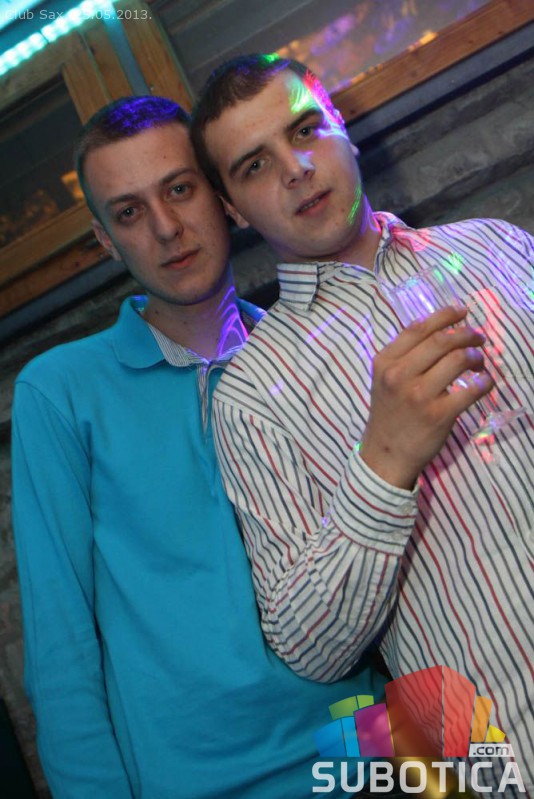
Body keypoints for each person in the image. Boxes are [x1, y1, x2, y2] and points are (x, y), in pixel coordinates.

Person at [10, 96, 384, 798]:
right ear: (105, 240)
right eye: (129, 212)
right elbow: (60, 650)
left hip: (368, 753)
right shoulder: (59, 393)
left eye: (179, 189)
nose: (165, 228)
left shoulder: (307, 350)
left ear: (220, 195)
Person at [191, 55, 533, 795]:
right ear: (234, 208)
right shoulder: (250, 394)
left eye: (305, 130)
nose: (296, 168)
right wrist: (384, 462)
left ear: (341, 126)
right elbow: (309, 647)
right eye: (255, 165)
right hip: (500, 758)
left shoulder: (496, 248)